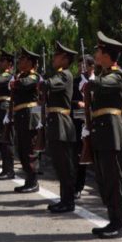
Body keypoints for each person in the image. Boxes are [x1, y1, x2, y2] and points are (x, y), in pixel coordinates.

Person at [85, 31, 122, 239]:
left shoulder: (117, 75)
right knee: (105, 180)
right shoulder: (104, 74)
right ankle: (113, 220)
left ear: (107, 54)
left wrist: (90, 79)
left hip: (113, 134)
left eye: (99, 50)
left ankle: (121, 223)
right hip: (102, 133)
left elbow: (101, 84)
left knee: (115, 180)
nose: (95, 53)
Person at [43, 42, 78, 213]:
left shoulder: (64, 75)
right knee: (59, 165)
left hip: (62, 125)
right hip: (55, 123)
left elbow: (50, 83)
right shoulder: (60, 74)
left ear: (65, 58)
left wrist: (42, 81)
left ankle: (68, 201)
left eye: (56, 55)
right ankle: (64, 199)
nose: (53, 58)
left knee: (65, 166)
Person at [10, 47, 42, 193]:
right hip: (21, 115)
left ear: (30, 62)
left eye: (22, 59)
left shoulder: (34, 76)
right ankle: (28, 179)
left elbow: (25, 84)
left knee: (30, 149)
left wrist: (15, 83)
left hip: (30, 116)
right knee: (22, 149)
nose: (19, 62)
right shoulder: (21, 76)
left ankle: (33, 182)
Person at [72, 55, 95, 199]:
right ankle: (78, 186)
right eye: (80, 66)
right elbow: (69, 100)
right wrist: (77, 103)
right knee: (79, 156)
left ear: (92, 66)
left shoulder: (99, 81)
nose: (81, 68)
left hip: (96, 123)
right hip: (79, 123)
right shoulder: (75, 82)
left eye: (84, 65)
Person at [0, 50, 16, 180]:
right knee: (2, 140)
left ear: (9, 63)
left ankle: (10, 170)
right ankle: (5, 168)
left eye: (2, 61)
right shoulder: (1, 76)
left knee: (7, 140)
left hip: (6, 110)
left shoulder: (9, 76)